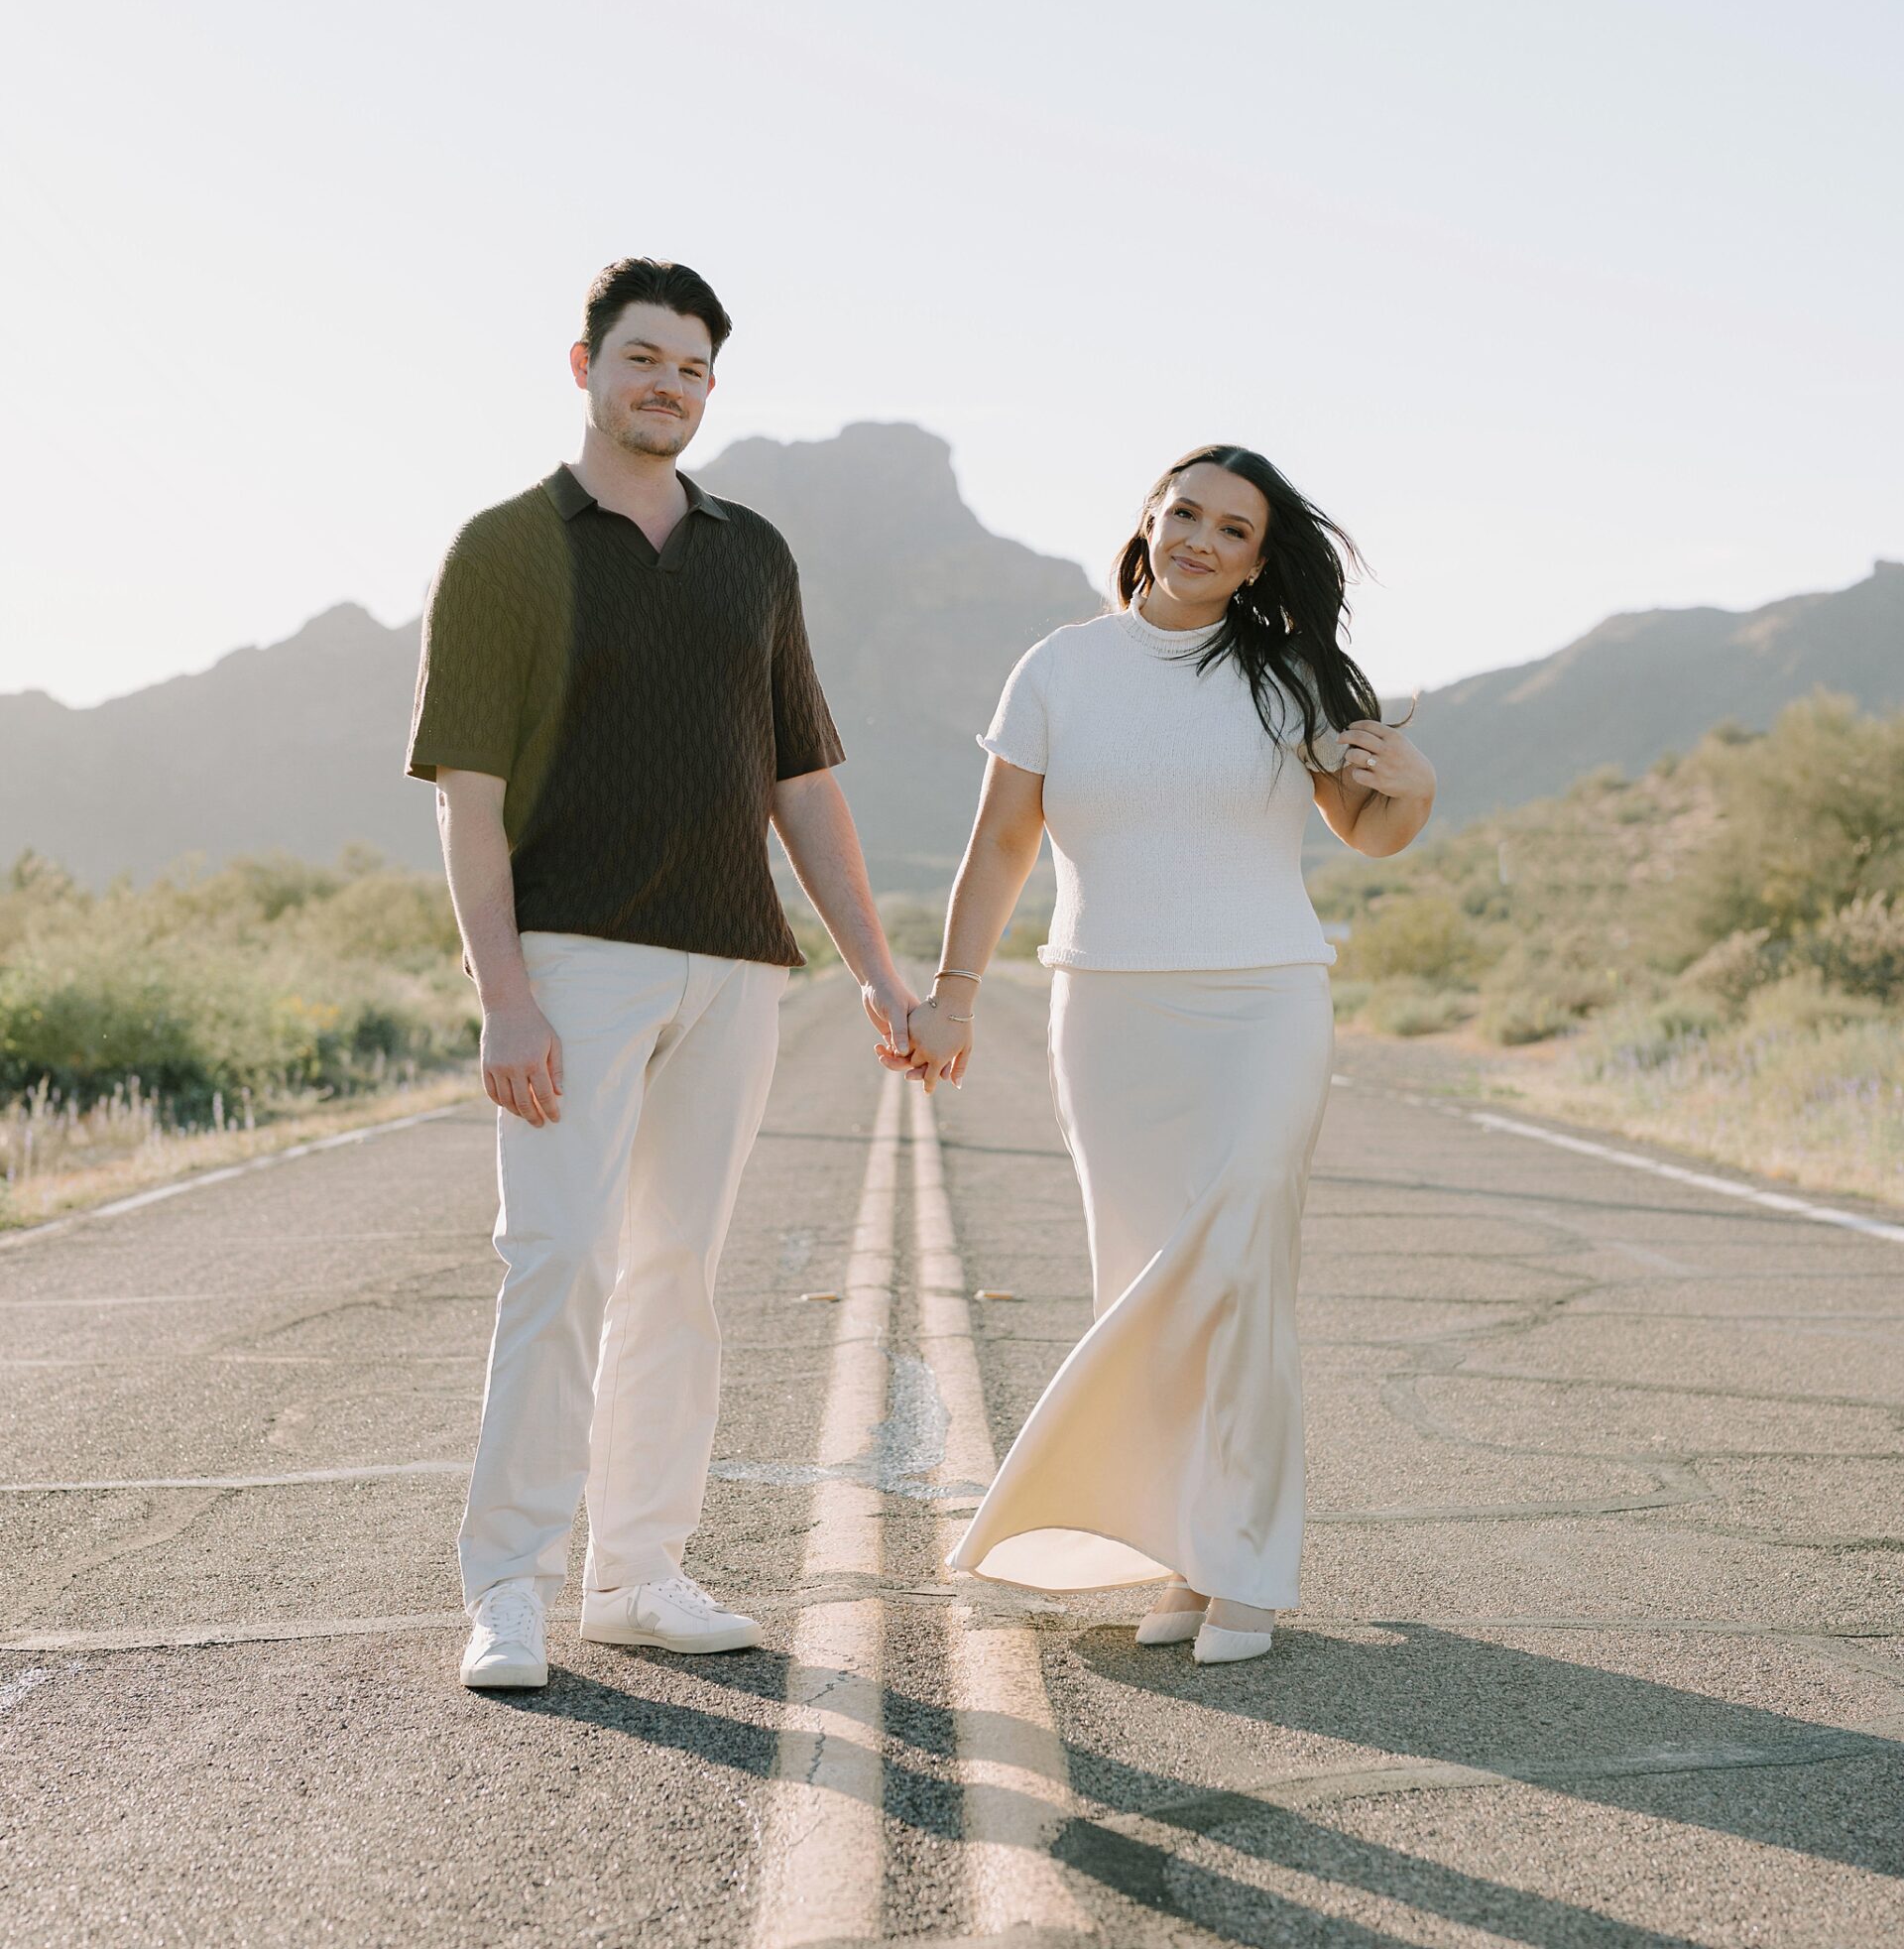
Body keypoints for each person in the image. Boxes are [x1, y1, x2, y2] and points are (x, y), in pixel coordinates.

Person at [408, 257, 917, 1692]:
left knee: (677, 1276)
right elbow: (468, 792)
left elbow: (805, 783)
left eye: (693, 370)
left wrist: (877, 971)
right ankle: (506, 1586)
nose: (668, 388)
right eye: (644, 360)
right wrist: (505, 992)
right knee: (558, 1262)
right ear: (584, 367)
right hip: (572, 959)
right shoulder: (507, 549)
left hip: (735, 965)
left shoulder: (753, 553)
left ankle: (636, 1571)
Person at [911, 445, 1434, 1663]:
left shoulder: (1287, 673)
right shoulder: (1058, 666)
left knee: (1243, 1265)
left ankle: (1244, 1560)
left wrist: (1411, 787)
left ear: (1259, 558)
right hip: (1109, 1013)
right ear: (1150, 517)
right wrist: (953, 995)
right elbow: (1000, 846)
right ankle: (1186, 1558)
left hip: (1265, 1001)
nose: (1200, 536)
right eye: (1185, 511)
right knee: (1151, 1280)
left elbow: (1369, 829)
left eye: (1232, 528)